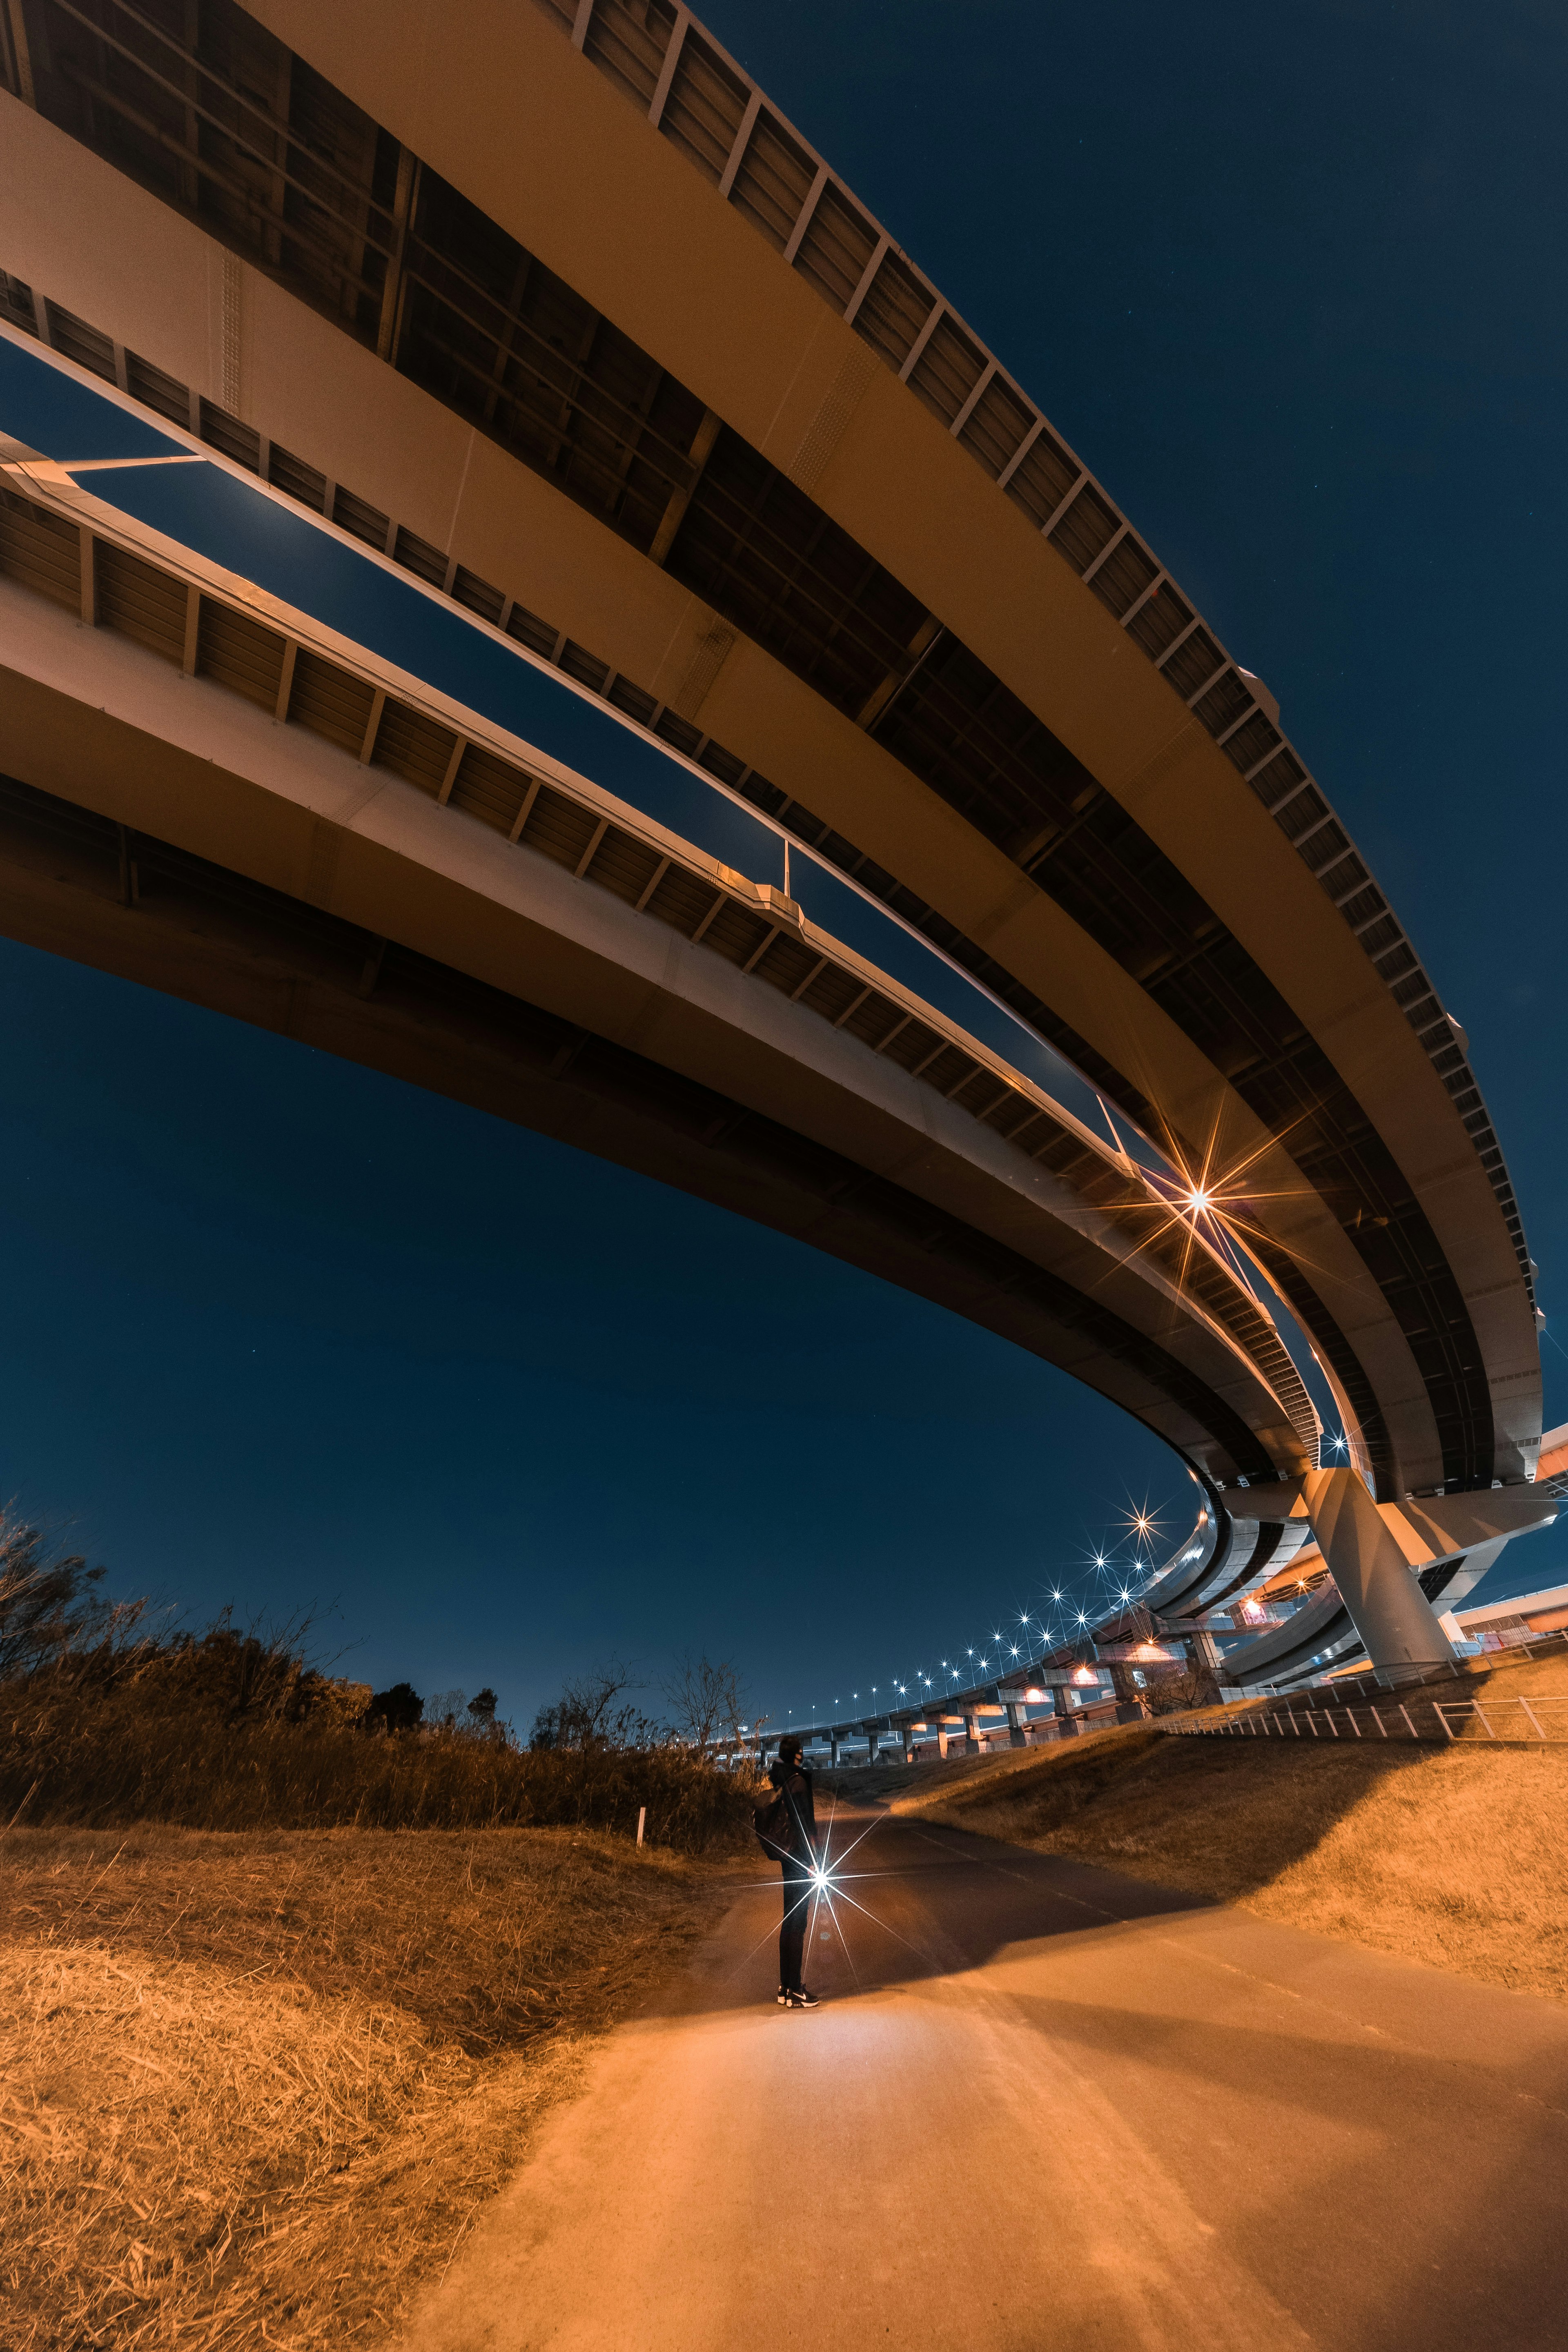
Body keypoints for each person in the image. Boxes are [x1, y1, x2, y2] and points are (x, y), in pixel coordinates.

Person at [768, 1735, 821, 2009]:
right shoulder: (798, 1782)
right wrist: (813, 1861)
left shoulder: (782, 1779)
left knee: (789, 1920)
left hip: (787, 1857)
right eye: (801, 1751)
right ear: (797, 1755)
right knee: (798, 1924)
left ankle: (784, 1987)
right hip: (801, 1858)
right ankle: (797, 1990)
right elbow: (804, 1825)